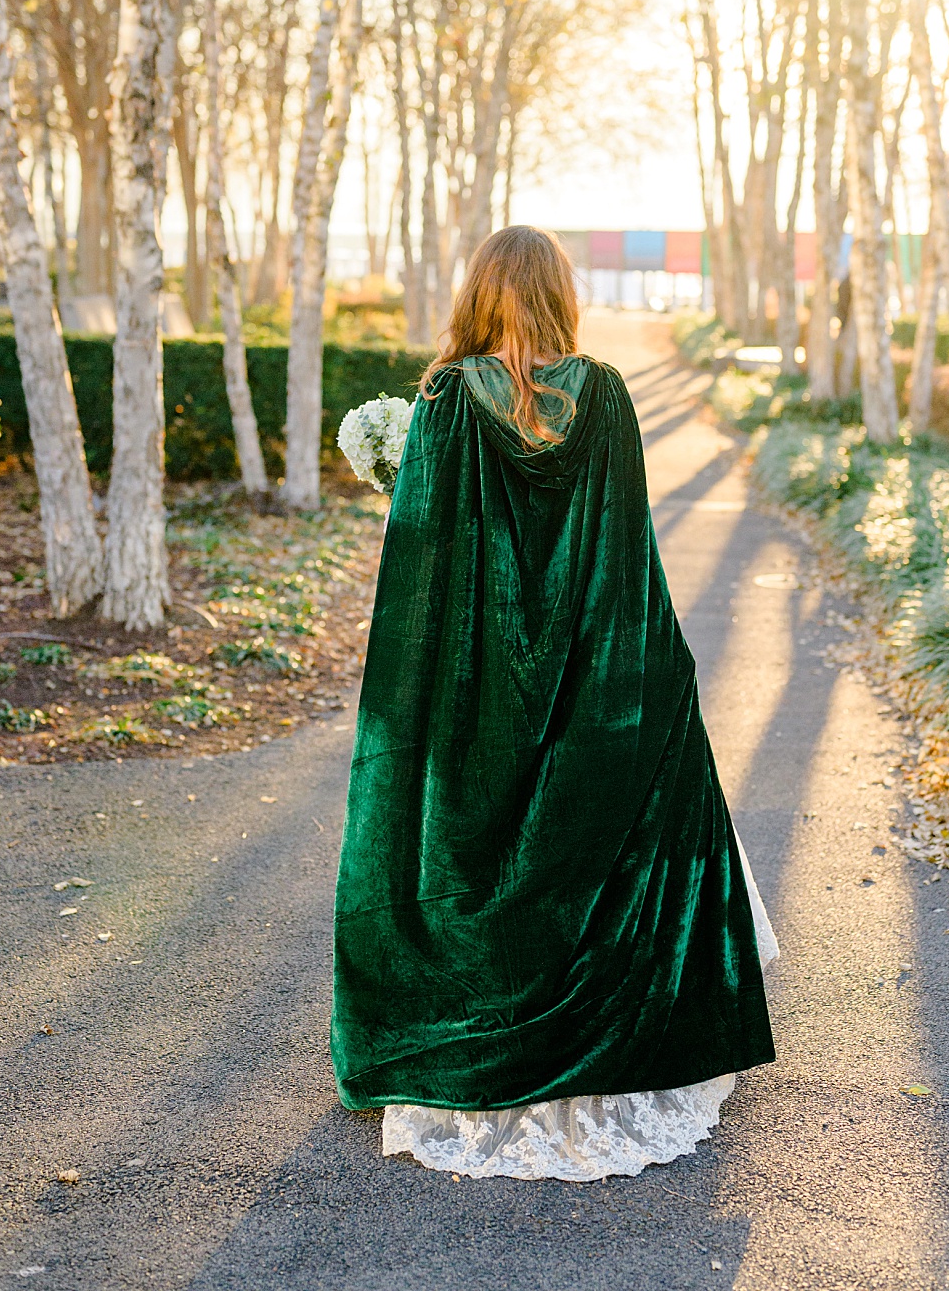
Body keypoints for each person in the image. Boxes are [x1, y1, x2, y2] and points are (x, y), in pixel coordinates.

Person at [330, 225, 776, 1182]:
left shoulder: (447, 399)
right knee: (582, 845)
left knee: (480, 845)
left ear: (479, 295)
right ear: (560, 295)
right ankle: (608, 1025)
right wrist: (655, 673)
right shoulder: (604, 394)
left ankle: (480, 1026)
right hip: (594, 664)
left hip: (485, 675)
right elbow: (625, 546)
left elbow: (435, 566)